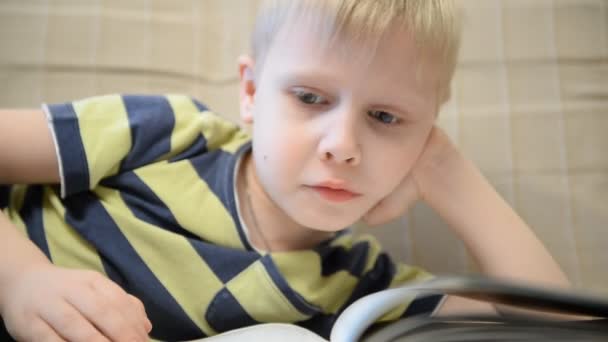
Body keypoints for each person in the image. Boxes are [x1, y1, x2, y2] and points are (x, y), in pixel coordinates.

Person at [0, 0, 570, 341]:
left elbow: (560, 329)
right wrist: (21, 278)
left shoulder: (360, 287)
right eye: (310, 98)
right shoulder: (166, 133)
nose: (343, 146)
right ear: (250, 92)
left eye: (386, 116)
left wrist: (448, 171)